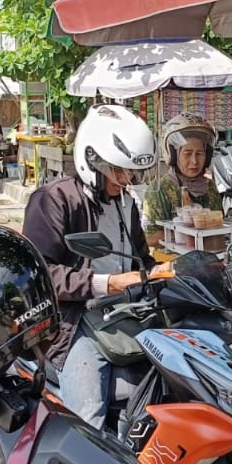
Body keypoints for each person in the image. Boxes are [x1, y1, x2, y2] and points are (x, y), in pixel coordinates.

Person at [22, 104, 162, 431]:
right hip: (76, 323)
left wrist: (162, 275)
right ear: (92, 161)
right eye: (118, 170)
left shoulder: (125, 202)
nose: (126, 179)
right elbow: (40, 276)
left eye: (129, 172)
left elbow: (141, 258)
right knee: (89, 420)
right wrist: (108, 283)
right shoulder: (53, 200)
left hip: (127, 314)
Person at [144, 112, 225, 246]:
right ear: (173, 155)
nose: (194, 161)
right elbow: (149, 237)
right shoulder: (158, 189)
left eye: (199, 154)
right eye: (187, 154)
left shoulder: (209, 187)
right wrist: (185, 235)